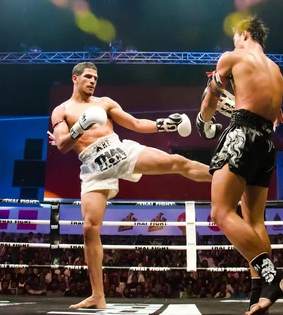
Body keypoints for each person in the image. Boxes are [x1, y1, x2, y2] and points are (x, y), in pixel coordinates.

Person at [50, 62, 212, 309]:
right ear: (75, 78)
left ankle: (225, 175)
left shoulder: (105, 103)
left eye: (95, 78)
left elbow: (135, 124)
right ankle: (98, 296)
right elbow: (62, 145)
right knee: (89, 228)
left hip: (117, 149)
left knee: (176, 162)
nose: (93, 81)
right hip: (93, 165)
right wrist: (80, 127)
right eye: (88, 77)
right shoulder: (61, 111)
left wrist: (163, 124)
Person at [196, 15, 283, 315]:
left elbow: (210, 99)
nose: (233, 41)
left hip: (242, 136)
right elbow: (277, 117)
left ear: (245, 34)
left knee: (221, 211)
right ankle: (257, 295)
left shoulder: (232, 57)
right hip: (266, 142)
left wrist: (204, 121)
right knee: (254, 221)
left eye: (236, 36)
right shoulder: (276, 72)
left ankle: (273, 277)